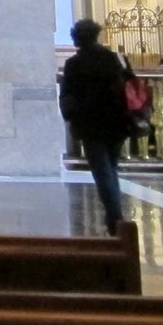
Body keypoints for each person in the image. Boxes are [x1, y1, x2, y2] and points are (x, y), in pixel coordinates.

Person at [59, 18, 129, 234]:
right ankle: (114, 213)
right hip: (116, 121)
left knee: (102, 170)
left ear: (78, 38)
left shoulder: (74, 64)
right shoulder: (113, 58)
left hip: (91, 124)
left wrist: (71, 118)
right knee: (111, 167)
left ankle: (114, 216)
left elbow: (68, 96)